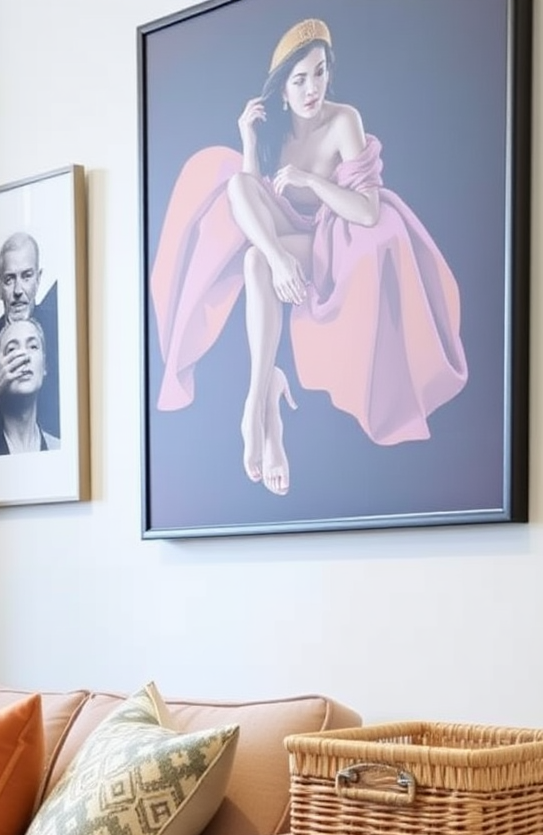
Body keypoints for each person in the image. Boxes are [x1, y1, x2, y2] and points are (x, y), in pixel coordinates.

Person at [150, 17, 468, 496]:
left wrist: (311, 180)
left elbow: (366, 210)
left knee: (258, 258)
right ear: (281, 91)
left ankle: (258, 403)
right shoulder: (277, 128)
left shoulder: (345, 120)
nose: (312, 88)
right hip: (287, 241)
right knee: (240, 195)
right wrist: (250, 142)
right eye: (299, 80)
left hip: (334, 238)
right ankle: (265, 395)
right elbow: (251, 199)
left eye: (319, 73)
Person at [0, 232, 59, 445]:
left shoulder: (59, 329)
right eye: (9, 279)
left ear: (39, 279)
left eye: (27, 276)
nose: (18, 291)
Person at [0, 315, 61, 457]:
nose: (24, 356)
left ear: (45, 367)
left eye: (33, 346)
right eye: (11, 349)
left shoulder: (58, 448)